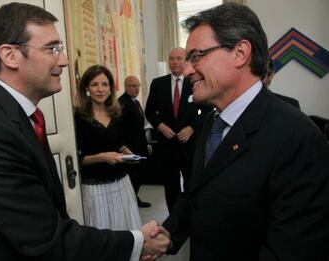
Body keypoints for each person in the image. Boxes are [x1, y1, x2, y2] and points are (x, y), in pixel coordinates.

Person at [0, 3, 170, 261]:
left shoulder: (17, 117)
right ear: (10, 55)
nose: (63, 60)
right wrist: (137, 242)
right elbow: (45, 238)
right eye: (52, 49)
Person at [150, 3, 329, 261]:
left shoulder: (299, 139)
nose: (187, 69)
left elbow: (291, 248)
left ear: (240, 52)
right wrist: (168, 234)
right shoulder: (210, 122)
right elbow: (197, 192)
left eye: (196, 56)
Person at [73, 65, 141, 230]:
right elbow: (76, 159)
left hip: (121, 183)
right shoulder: (78, 116)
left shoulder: (117, 113)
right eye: (95, 84)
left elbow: (119, 144)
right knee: (102, 236)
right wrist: (102, 157)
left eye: (105, 84)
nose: (100, 89)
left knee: (125, 231)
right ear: (87, 88)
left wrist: (126, 152)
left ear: (111, 87)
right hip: (94, 188)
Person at [145, 47, 212, 213]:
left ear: (186, 61)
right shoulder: (158, 83)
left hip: (189, 144)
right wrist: (160, 126)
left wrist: (191, 128)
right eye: (171, 58)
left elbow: (207, 110)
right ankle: (173, 219)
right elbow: (149, 111)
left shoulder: (195, 81)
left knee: (192, 183)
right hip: (167, 145)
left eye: (178, 58)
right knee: (170, 186)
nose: (174, 62)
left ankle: (192, 217)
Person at [118, 76, 152, 208]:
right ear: (126, 86)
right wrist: (123, 147)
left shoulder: (136, 103)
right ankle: (130, 202)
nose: (137, 88)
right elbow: (119, 128)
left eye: (138, 85)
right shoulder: (121, 103)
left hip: (140, 145)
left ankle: (134, 198)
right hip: (130, 148)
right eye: (133, 86)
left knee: (138, 177)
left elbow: (140, 127)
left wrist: (147, 143)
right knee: (132, 177)